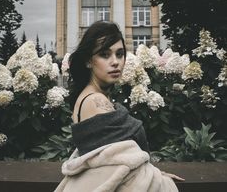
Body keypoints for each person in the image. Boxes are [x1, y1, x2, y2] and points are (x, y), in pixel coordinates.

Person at [54, 21, 183, 192]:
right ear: (88, 61)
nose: (115, 62)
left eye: (120, 54)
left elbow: (117, 160)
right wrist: (155, 176)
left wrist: (152, 171)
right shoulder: (94, 101)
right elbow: (124, 164)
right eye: (104, 55)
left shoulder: (92, 96)